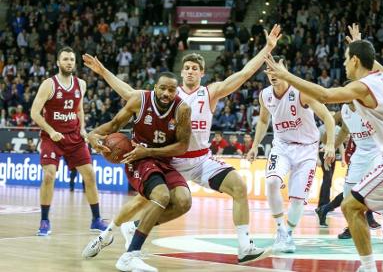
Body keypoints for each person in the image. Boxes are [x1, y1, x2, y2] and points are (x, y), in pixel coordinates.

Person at [81, 24, 282, 264]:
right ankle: (110, 232)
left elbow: (244, 74)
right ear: (181, 73)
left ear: (202, 73)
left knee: (238, 186)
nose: (189, 72)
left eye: (195, 69)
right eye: (186, 68)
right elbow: (128, 92)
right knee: (143, 200)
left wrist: (267, 48)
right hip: (170, 159)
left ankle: (243, 246)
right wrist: (103, 71)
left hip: (200, 159)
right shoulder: (169, 95)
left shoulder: (210, 93)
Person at [264, 24, 383, 272]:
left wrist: (287, 76)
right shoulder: (382, 76)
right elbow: (372, 62)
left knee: (350, 206)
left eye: (345, 59)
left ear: (354, 60)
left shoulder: (362, 87)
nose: (343, 64)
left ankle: (368, 267)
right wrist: (360, 43)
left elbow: (326, 95)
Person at [82, 72, 192, 272]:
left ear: (176, 91)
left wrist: (149, 151)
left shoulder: (182, 109)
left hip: (161, 159)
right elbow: (115, 125)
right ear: (154, 87)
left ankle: (131, 227)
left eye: (171, 90)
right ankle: (130, 255)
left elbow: (182, 146)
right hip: (137, 158)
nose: (167, 93)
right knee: (161, 195)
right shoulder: (139, 101)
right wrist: (93, 134)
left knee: (184, 202)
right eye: (163, 88)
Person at [246, 55, 335, 253]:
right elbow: (262, 121)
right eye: (268, 70)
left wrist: (329, 144)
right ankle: (280, 230)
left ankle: (289, 234)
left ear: (286, 70)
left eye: (277, 68)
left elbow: (328, 117)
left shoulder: (301, 93)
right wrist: (254, 146)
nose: (273, 74)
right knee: (271, 182)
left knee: (297, 199)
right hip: (282, 146)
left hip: (307, 149)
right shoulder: (265, 95)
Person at [30, 46, 107, 236]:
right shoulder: (49, 84)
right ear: (58, 62)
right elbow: (34, 113)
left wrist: (82, 128)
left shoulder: (81, 84)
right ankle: (45, 220)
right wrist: (50, 130)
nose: (69, 62)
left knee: (90, 175)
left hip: (74, 136)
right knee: (49, 176)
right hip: (52, 137)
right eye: (65, 59)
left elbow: (79, 108)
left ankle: (96, 219)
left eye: (72, 59)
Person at [315, 101, 383, 242]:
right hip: (360, 152)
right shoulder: (345, 110)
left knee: (379, 188)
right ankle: (352, 225)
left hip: (377, 151)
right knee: (348, 192)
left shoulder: (368, 107)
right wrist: (332, 147)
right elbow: (345, 130)